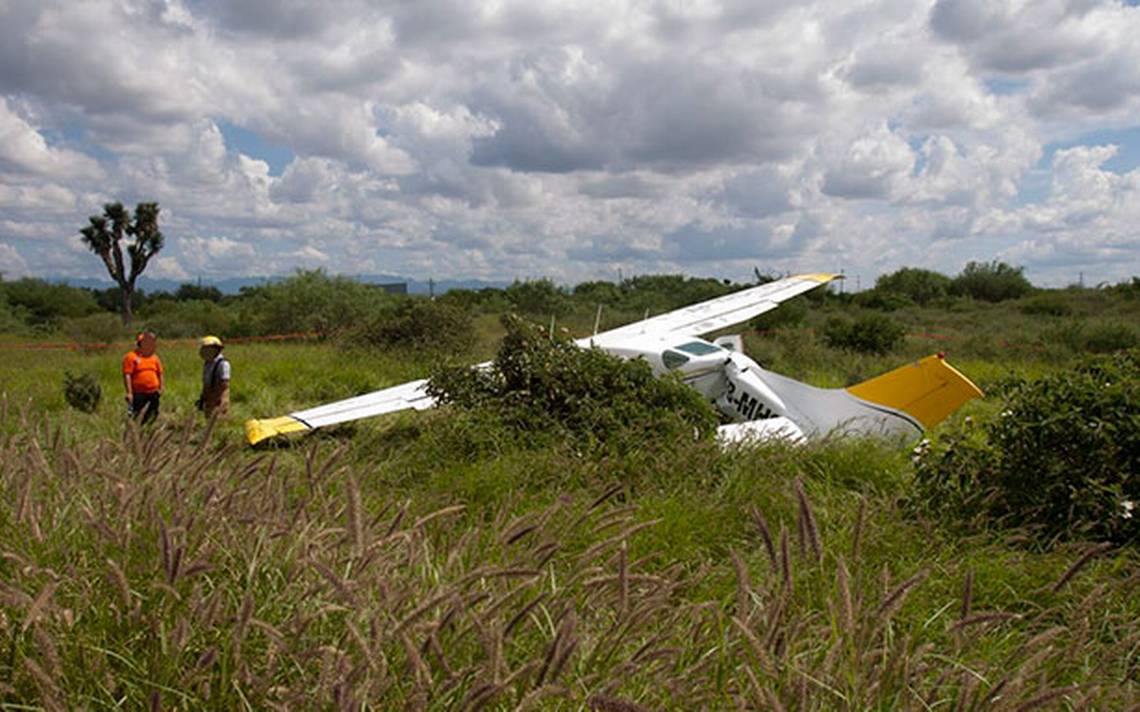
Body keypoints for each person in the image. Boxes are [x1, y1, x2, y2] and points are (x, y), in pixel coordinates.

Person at [123, 331, 163, 424]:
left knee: (152, 413)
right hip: (138, 393)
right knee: (136, 414)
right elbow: (127, 375)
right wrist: (129, 392)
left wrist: (161, 387)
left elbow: (160, 373)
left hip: (153, 392)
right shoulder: (131, 357)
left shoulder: (154, 357)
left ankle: (149, 430)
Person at [196, 335, 231, 418]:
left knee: (218, 421)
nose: (203, 351)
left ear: (215, 350)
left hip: (218, 399)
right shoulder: (207, 364)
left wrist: (217, 400)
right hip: (209, 399)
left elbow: (224, 385)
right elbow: (206, 382)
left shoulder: (223, 364)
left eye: (206, 349)